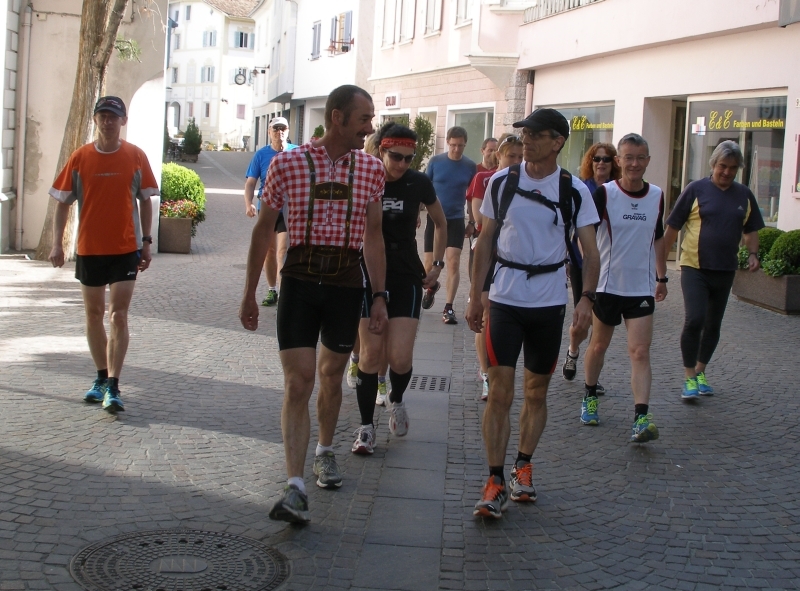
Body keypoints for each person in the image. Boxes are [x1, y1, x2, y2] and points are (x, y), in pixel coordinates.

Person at [239, 85, 388, 524]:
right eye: (364, 118)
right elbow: (263, 230)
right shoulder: (286, 164)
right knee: (299, 380)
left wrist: (379, 296)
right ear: (337, 117)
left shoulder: (371, 169)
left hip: (345, 283)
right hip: (300, 280)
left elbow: (374, 236)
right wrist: (250, 292)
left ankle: (324, 450)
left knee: (331, 375)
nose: (370, 127)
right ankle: (295, 486)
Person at [466, 108, 600, 519]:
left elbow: (591, 253)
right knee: (500, 391)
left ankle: (522, 466)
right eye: (524, 133)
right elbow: (485, 241)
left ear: (557, 141)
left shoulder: (574, 190)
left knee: (537, 392)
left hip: (548, 301)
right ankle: (494, 480)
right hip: (505, 298)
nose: (526, 140)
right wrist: (475, 295)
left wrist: (586, 300)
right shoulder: (502, 181)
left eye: (536, 135)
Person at [48, 95, 159, 413]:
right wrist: (57, 243)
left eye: (113, 116)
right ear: (95, 120)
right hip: (90, 249)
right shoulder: (80, 157)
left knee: (118, 315)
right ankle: (99, 378)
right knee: (94, 314)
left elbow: (146, 200)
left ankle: (113, 384)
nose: (108, 122)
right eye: (103, 116)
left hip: (125, 249)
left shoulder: (135, 156)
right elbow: (62, 202)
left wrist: (146, 241)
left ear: (123, 121)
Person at [351, 122, 447, 453]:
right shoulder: (366, 178)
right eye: (396, 156)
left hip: (406, 271)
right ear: (382, 150)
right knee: (371, 354)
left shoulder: (418, 182)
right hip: (367, 271)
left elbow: (441, 222)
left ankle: (397, 398)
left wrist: (437, 265)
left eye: (409, 158)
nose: (402, 164)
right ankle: (365, 428)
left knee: (400, 357)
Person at [581, 134, 668, 443]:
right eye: (628, 157)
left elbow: (659, 236)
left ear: (648, 160)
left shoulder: (656, 195)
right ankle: (590, 395)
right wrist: (587, 277)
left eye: (640, 158)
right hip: (608, 285)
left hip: (640, 288)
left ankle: (641, 418)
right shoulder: (604, 194)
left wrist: (662, 277)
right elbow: (585, 234)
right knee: (598, 346)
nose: (634, 164)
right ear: (619, 161)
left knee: (640, 351)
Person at [664, 140, 764, 400]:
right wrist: (660, 266)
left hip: (725, 269)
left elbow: (751, 229)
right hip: (694, 267)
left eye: (733, 168)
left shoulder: (744, 195)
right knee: (695, 319)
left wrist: (753, 254)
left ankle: (700, 371)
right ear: (713, 164)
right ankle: (688, 377)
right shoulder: (696, 189)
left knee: (713, 325)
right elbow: (672, 227)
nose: (727, 172)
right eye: (722, 166)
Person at [467, 135, 524, 401]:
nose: (516, 161)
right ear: (498, 156)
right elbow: (479, 217)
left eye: (520, 157)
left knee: (500, 315)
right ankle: (486, 373)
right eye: (511, 156)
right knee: (485, 310)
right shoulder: (484, 179)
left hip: (512, 256)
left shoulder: (526, 182)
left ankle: (497, 367)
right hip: (486, 251)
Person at [561, 143, 621, 392]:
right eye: (597, 158)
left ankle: (592, 378)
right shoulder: (583, 188)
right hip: (582, 264)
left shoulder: (617, 190)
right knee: (582, 319)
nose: (601, 163)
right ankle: (573, 351)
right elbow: (571, 228)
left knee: (600, 327)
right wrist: (576, 258)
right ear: (590, 162)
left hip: (610, 267)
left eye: (606, 159)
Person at [421, 126, 477, 323]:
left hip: (455, 219)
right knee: (429, 265)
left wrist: (472, 221)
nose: (456, 149)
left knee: (453, 262)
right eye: (453, 145)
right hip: (435, 219)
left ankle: (449, 307)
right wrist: (416, 213)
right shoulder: (436, 162)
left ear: (465, 144)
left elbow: (472, 196)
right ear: (448, 143)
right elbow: (424, 188)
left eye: (460, 146)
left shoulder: (470, 166)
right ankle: (432, 287)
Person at [244, 116, 298, 306]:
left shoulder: (297, 152)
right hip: (267, 208)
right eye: (275, 129)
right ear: (269, 132)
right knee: (269, 250)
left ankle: (283, 295)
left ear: (288, 131)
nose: (279, 132)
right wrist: (248, 203)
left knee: (283, 250)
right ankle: (272, 289)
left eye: (283, 128)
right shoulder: (261, 155)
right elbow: (251, 182)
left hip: (289, 208)